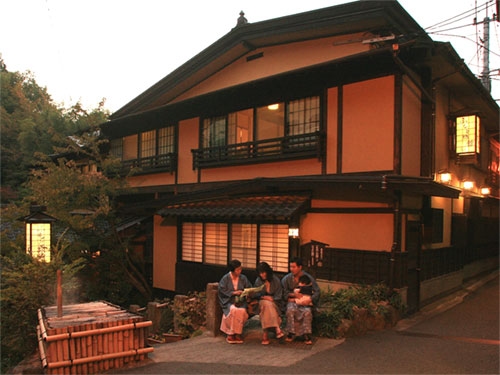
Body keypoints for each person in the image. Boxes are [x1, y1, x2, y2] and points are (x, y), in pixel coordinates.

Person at [281, 257, 320, 345]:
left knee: (307, 312)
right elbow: (283, 292)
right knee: (290, 310)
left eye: (294, 267)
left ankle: (306, 334)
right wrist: (293, 295)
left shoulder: (308, 278)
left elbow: (317, 291)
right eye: (290, 267)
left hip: (305, 302)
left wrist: (310, 299)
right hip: (292, 301)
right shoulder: (287, 279)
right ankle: (291, 333)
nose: (292, 269)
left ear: (300, 267)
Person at [218, 259, 252, 344]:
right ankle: (231, 333)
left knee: (242, 311)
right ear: (232, 270)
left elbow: (248, 287)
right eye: (238, 270)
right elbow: (222, 290)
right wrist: (233, 293)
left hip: (241, 301)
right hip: (229, 301)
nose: (240, 271)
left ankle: (238, 333)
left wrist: (245, 293)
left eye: (240, 269)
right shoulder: (225, 278)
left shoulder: (243, 278)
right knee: (233, 310)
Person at [253, 262, 285, 345]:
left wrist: (272, 299)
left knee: (267, 305)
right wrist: (264, 297)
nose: (262, 275)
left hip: (275, 303)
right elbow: (256, 294)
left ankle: (265, 333)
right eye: (260, 273)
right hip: (262, 302)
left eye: (263, 272)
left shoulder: (275, 280)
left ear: (267, 272)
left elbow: (279, 295)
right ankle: (277, 328)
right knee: (265, 304)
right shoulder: (258, 280)